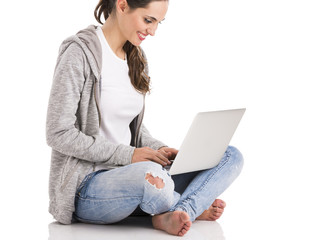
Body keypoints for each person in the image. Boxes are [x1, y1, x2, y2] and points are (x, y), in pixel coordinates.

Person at [46, 0, 244, 237]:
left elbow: (132, 130)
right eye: (148, 20)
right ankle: (192, 204)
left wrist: (159, 149)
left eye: (158, 23)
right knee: (150, 176)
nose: (153, 31)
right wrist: (129, 155)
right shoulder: (79, 53)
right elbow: (58, 132)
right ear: (121, 5)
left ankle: (180, 208)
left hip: (138, 171)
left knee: (230, 156)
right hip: (88, 186)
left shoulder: (135, 57)